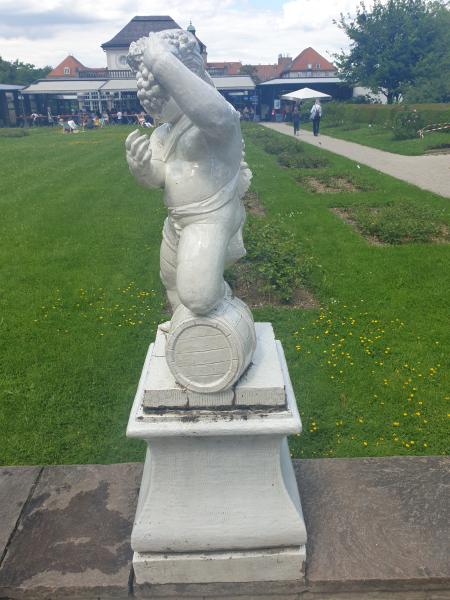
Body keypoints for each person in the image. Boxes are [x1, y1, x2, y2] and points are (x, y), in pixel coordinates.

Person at [126, 29, 252, 316]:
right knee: (171, 281)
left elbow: (217, 116)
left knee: (198, 297)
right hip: (177, 218)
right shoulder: (162, 133)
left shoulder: (214, 122)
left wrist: (162, 62)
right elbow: (160, 173)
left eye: (162, 96)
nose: (155, 109)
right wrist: (143, 169)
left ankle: (219, 313)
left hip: (210, 216)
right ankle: (186, 329)